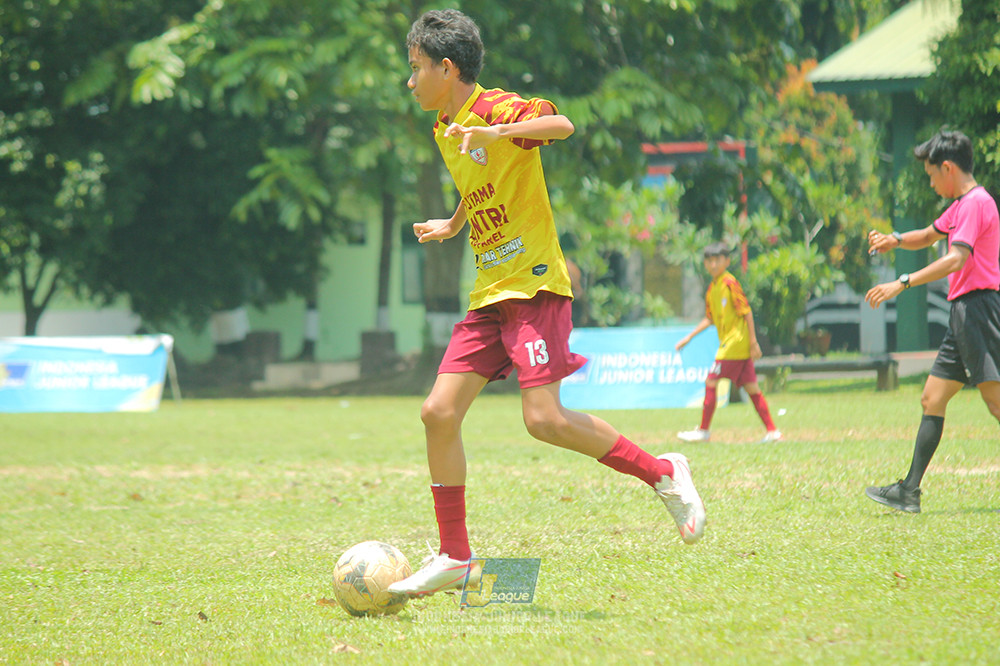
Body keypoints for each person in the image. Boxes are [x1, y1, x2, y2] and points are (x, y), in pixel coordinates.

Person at [388, 9, 706, 598]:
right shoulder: (442, 124)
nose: (410, 81)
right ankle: (456, 556)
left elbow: (562, 126)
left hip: (534, 287)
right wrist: (454, 223)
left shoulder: (499, 109)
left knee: (545, 421)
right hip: (489, 294)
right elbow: (479, 184)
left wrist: (496, 133)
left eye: (415, 68)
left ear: (446, 67)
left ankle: (663, 472)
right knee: (437, 413)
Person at [864, 129, 1000, 513]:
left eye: (931, 175)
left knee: (995, 403)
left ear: (948, 167)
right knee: (932, 397)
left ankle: (908, 489)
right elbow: (927, 235)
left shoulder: (976, 203)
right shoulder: (959, 205)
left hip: (979, 309)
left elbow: (956, 258)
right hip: (963, 313)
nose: (931, 181)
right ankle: (909, 490)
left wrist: (903, 282)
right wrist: (894, 239)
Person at [675, 242, 781, 444]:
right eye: (709, 260)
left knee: (711, 380)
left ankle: (704, 431)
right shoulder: (712, 288)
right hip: (734, 346)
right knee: (752, 388)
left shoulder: (729, 283)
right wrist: (689, 338)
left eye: (717, 260)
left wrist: (753, 342)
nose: (713, 264)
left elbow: (746, 311)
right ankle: (773, 431)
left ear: (726, 261)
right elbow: (710, 318)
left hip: (735, 344)